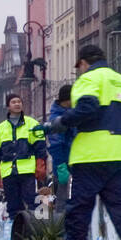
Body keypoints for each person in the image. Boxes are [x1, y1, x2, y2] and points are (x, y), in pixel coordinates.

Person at [50, 44, 121, 240]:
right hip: (120, 155)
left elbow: (87, 108)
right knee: (120, 205)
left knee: (79, 208)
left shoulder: (88, 79)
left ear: (83, 63)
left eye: (80, 67)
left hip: (91, 156)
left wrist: (62, 122)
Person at [0, 93, 47, 218]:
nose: (17, 104)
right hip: (9, 173)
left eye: (19, 101)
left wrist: (40, 163)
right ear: (8, 106)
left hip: (27, 171)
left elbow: (40, 146)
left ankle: (37, 227)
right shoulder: (1, 128)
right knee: (13, 205)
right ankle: (17, 231)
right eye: (13, 102)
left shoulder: (32, 124)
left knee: (32, 200)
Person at [46, 85, 76, 214]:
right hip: (63, 164)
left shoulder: (71, 113)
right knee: (62, 198)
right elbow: (56, 143)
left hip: (75, 160)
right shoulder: (56, 118)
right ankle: (61, 226)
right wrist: (61, 166)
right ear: (67, 99)